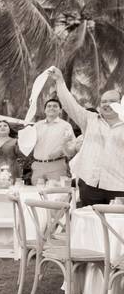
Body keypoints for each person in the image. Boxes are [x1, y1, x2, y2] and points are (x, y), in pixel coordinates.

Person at [50, 67, 124, 206]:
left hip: (119, 187)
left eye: (112, 101)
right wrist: (60, 81)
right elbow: (70, 105)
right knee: (90, 224)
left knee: (118, 226)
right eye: (104, 101)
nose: (107, 105)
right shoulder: (90, 119)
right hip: (89, 184)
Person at [26, 98, 75, 183]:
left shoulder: (66, 126)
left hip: (56, 165)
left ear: (60, 110)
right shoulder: (37, 126)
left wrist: (60, 152)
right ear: (45, 110)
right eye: (49, 106)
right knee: (36, 193)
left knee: (57, 194)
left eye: (55, 106)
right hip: (38, 166)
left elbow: (72, 145)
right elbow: (28, 143)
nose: (51, 108)